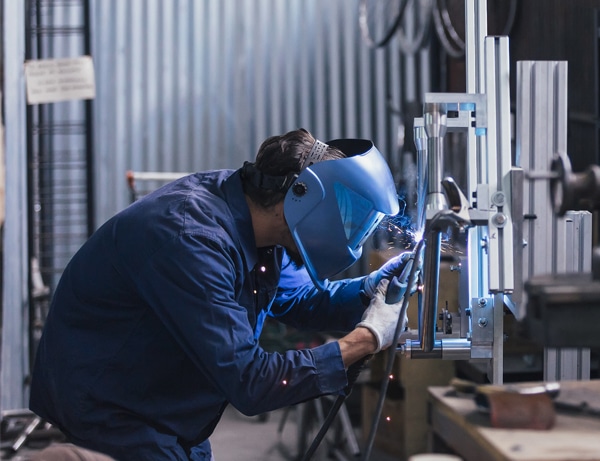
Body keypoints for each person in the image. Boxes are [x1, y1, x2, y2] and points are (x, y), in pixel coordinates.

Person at [30, 128, 412, 461]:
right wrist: (367, 339)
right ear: (303, 196)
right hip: (113, 409)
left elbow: (301, 299)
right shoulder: (192, 241)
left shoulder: (262, 223)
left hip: (166, 402)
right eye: (346, 218)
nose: (352, 232)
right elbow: (252, 381)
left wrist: (371, 288)